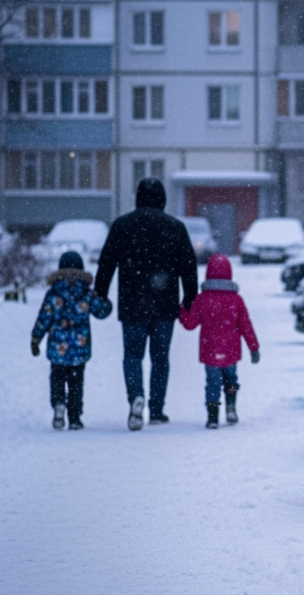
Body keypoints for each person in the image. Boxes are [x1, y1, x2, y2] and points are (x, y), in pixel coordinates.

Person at [95, 178, 198, 431]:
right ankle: (157, 409)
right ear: (162, 199)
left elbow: (106, 263)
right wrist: (189, 297)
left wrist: (101, 293)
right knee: (160, 358)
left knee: (133, 355)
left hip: (132, 304)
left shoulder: (122, 225)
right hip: (165, 304)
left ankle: (136, 398)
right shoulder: (175, 227)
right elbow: (189, 266)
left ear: (138, 197)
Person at [32, 251, 113, 430]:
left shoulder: (53, 292)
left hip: (57, 347)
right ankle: (75, 417)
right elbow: (101, 312)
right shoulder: (86, 292)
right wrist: (107, 302)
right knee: (76, 382)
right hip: (79, 346)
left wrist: (36, 338)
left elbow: (44, 317)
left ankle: (59, 404)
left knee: (57, 377)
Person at [179, 254, 260, 429]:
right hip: (231, 350)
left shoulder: (202, 299)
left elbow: (190, 324)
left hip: (210, 349)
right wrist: (254, 347)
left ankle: (213, 416)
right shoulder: (236, 300)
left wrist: (181, 311)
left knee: (212, 383)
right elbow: (246, 325)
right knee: (231, 381)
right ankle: (230, 406)